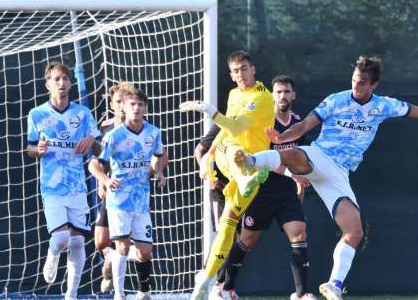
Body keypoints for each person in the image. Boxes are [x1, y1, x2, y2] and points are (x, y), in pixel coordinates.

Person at [235, 56, 418, 300]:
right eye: (354, 79)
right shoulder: (336, 100)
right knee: (291, 154)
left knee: (354, 231)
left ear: (374, 85)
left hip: (339, 174)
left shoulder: (383, 105)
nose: (356, 85)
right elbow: (304, 127)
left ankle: (334, 285)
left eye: (362, 82)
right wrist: (282, 137)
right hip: (320, 156)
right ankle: (250, 161)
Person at [179, 51, 275, 300]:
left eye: (244, 68)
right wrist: (208, 156)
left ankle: (207, 280)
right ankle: (207, 282)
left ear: (253, 69)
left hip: (252, 166)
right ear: (231, 76)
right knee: (233, 150)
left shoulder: (262, 98)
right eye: (235, 71)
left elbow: (237, 127)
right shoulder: (234, 95)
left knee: (227, 224)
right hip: (235, 166)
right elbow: (225, 130)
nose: (240, 74)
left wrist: (208, 110)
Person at [209, 75, 315, 300]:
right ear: (272, 96)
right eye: (278, 92)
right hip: (261, 189)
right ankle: (224, 286)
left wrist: (300, 181)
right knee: (247, 240)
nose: (282, 96)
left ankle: (302, 293)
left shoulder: (298, 125)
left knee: (299, 233)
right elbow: (256, 157)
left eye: (287, 91)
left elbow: (301, 158)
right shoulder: (262, 121)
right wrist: (207, 161)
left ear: (293, 95)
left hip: (287, 192)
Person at [26, 62, 101, 300]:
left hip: (77, 186)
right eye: (56, 79)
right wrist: (38, 149)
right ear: (48, 84)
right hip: (52, 186)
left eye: (65, 79)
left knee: (78, 244)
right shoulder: (37, 114)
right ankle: (52, 253)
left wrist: (91, 140)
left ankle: (71, 295)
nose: (61, 83)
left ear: (71, 82)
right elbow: (30, 149)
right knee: (60, 239)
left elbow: (99, 150)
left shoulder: (83, 114)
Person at [89, 88, 166, 300]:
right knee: (121, 246)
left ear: (145, 108)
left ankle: (143, 290)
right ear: (123, 107)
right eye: (132, 104)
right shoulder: (114, 136)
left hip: (141, 201)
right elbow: (94, 165)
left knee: (145, 252)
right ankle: (120, 295)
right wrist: (105, 180)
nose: (136, 108)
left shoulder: (153, 133)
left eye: (140, 105)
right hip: (118, 200)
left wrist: (159, 172)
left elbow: (159, 156)